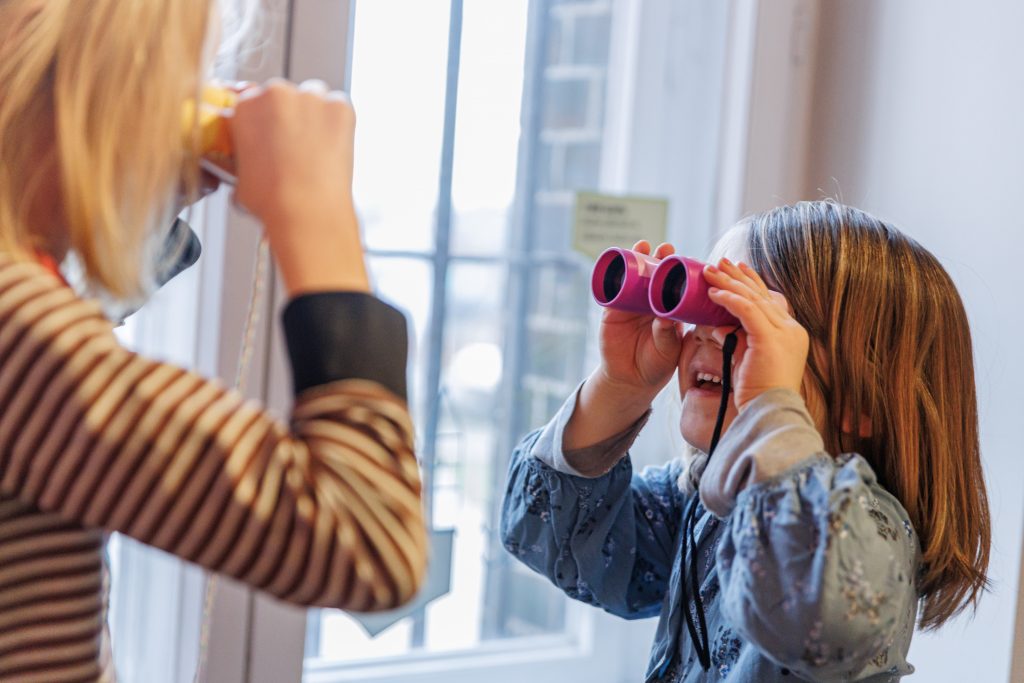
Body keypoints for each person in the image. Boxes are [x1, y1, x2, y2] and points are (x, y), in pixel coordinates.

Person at [0, 1, 427, 680]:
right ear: (103, 97)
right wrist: (315, 213)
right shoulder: (19, 331)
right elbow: (372, 541)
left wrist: (146, 201)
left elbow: (60, 370)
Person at [501, 201, 990, 681]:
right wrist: (619, 388)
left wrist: (768, 405)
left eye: (750, 319)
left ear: (862, 402)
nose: (708, 333)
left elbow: (821, 616)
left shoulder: (867, 529)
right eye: (706, 300)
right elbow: (557, 540)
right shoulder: (704, 502)